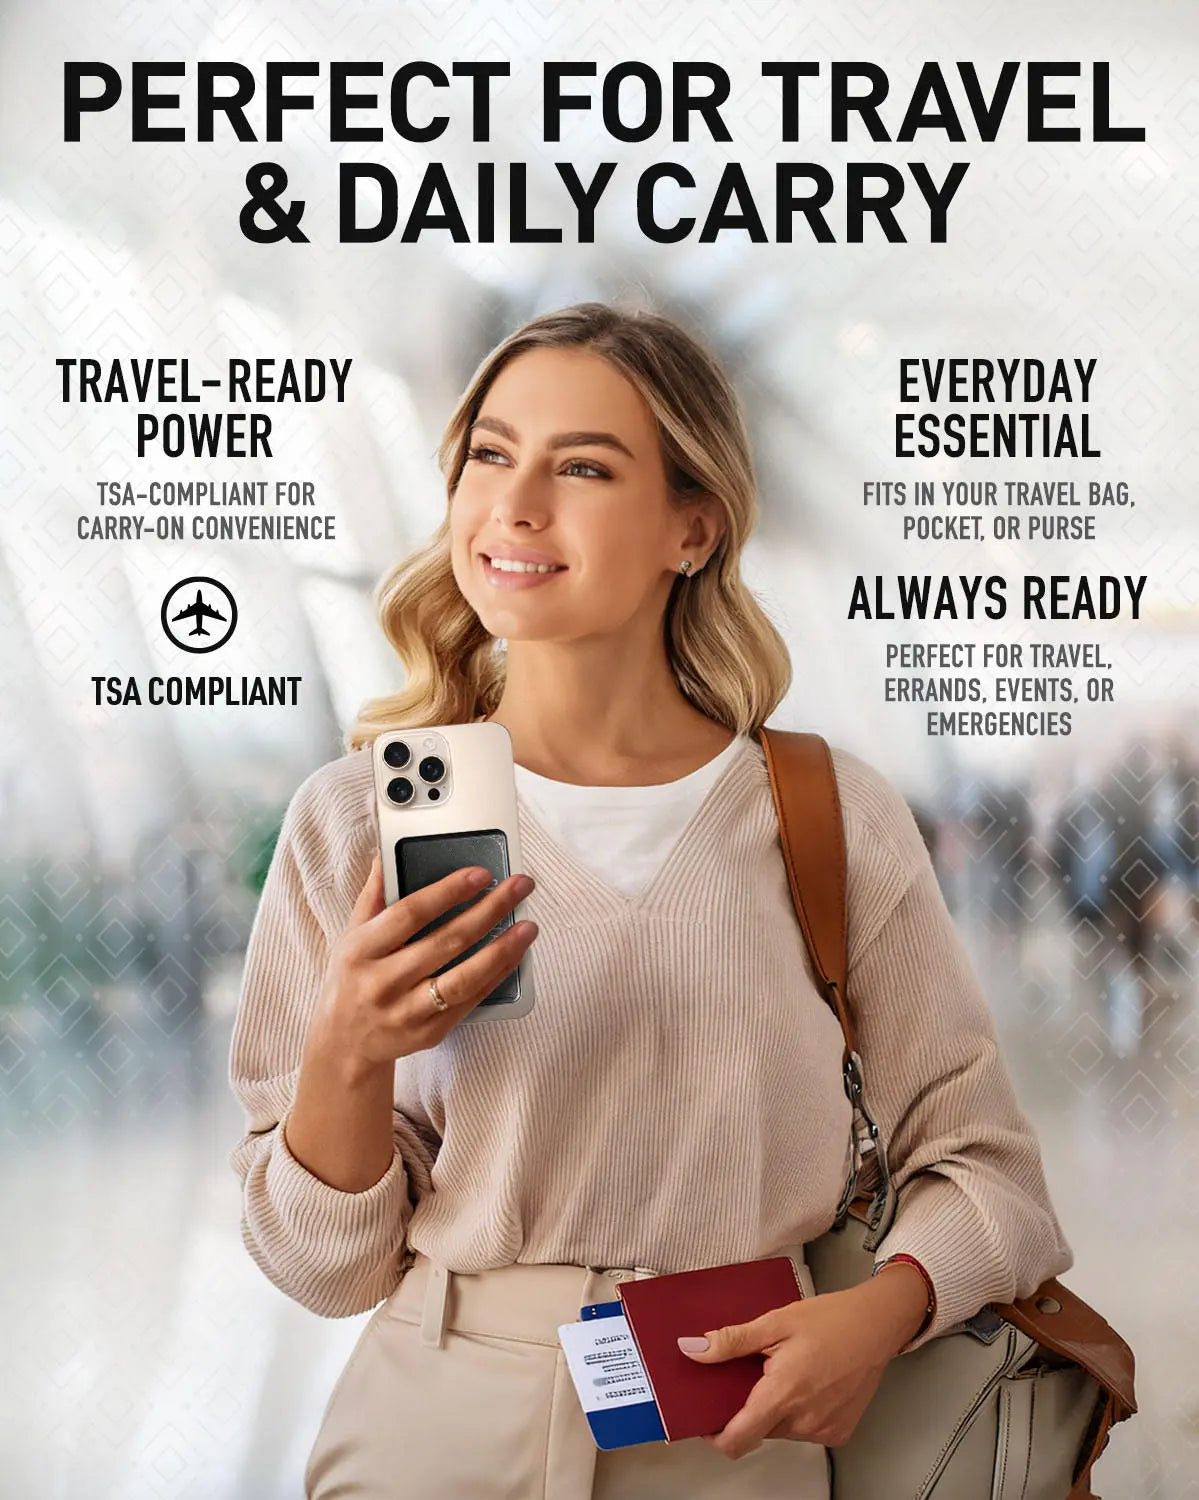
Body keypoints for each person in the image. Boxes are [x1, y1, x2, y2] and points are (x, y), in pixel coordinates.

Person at [228, 301, 1073, 1499]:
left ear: (693, 527)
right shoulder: (350, 823)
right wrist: (347, 1056)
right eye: (489, 453)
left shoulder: (821, 815)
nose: (515, 505)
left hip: (737, 1425)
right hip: (438, 1423)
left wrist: (879, 1315)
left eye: (582, 466)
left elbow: (989, 1174)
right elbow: (321, 1271)